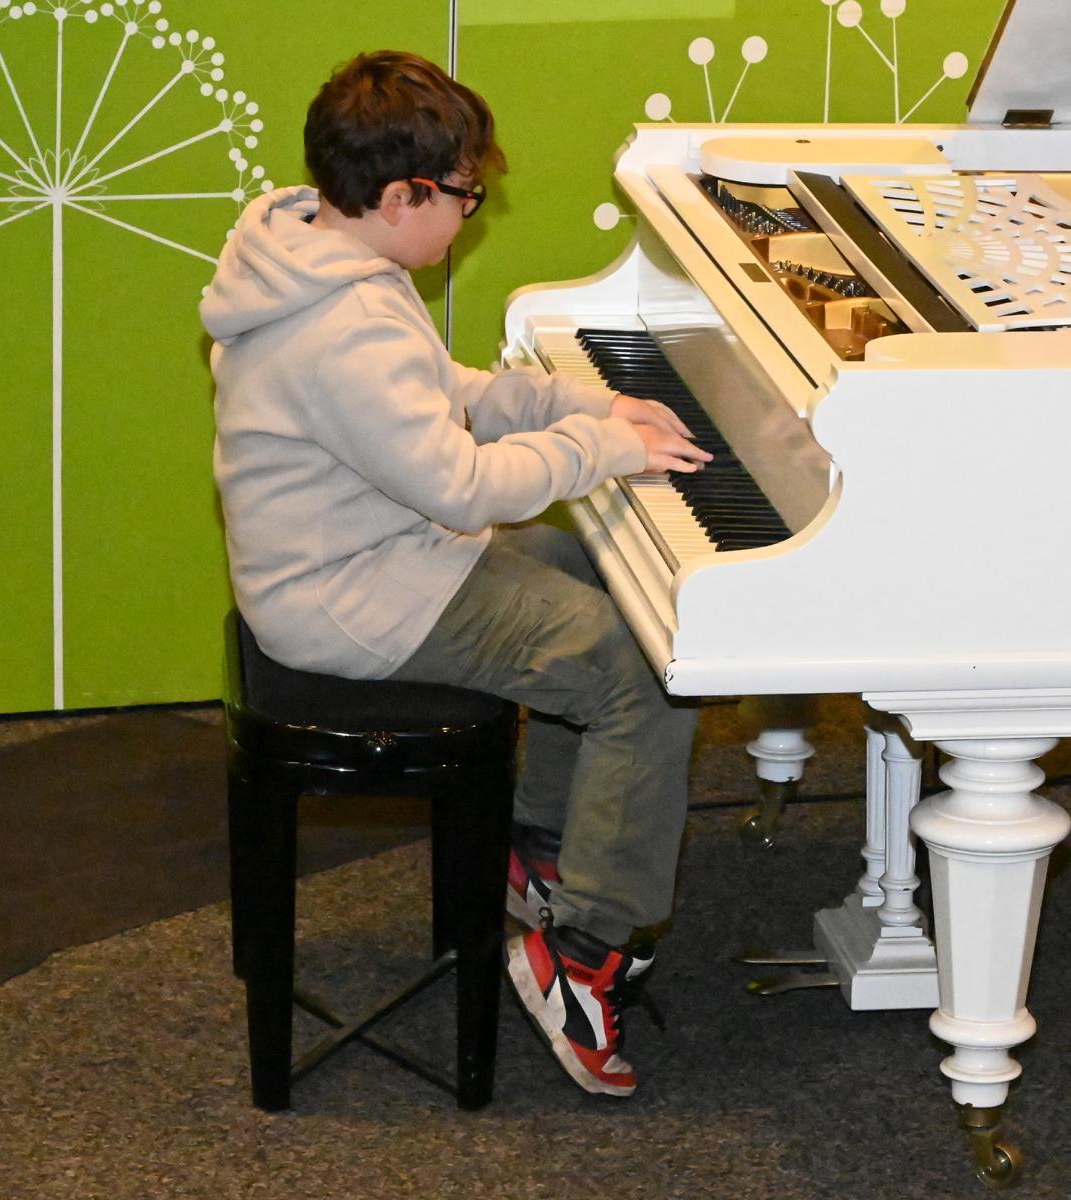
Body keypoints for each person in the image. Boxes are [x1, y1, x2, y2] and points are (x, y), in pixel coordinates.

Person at [200, 49, 712, 1098]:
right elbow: (465, 487)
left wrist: (590, 406)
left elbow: (449, 393)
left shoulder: (318, 251)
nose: (470, 219)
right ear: (403, 196)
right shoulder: (341, 326)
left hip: (373, 555)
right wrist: (604, 449)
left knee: (603, 580)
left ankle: (542, 851)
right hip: (352, 598)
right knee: (645, 671)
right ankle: (585, 958)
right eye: (464, 199)